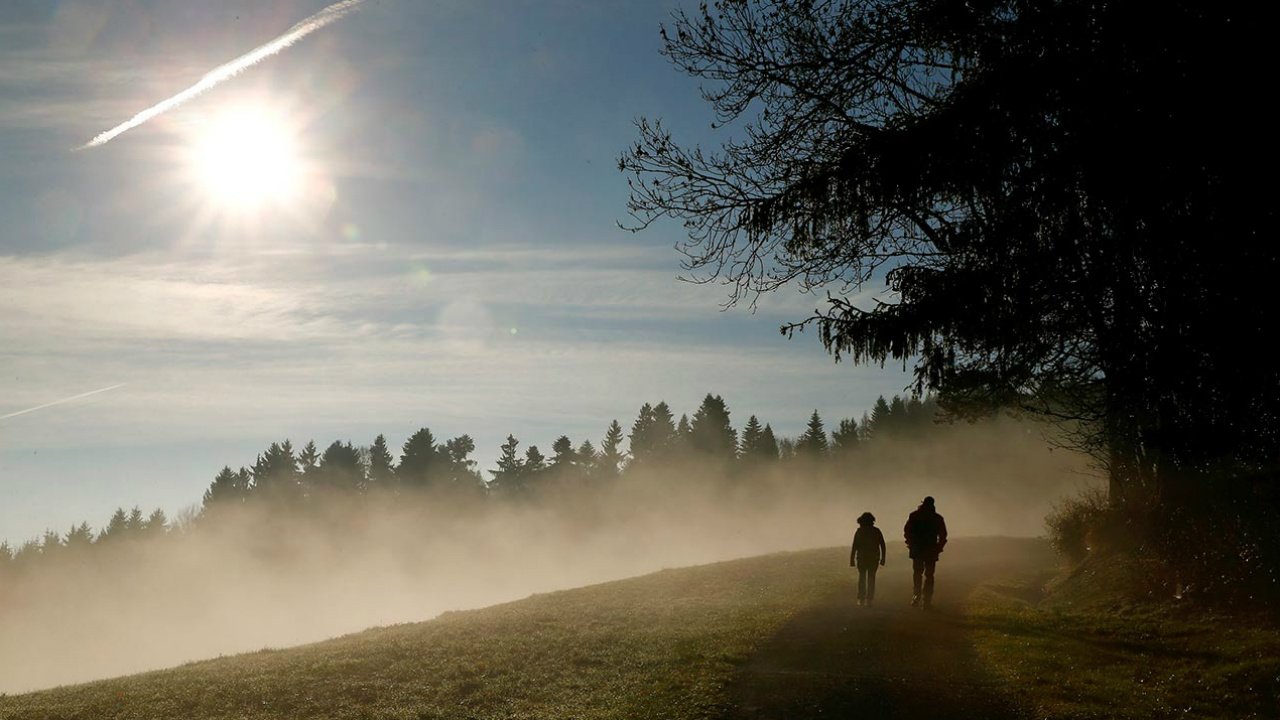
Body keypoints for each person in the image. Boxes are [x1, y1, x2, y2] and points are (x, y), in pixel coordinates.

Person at [903, 496, 948, 609]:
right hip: (931, 550)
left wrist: (910, 543)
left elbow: (907, 531)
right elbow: (943, 535)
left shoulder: (914, 515)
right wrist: (939, 547)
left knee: (917, 573)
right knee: (929, 575)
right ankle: (926, 600)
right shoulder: (937, 518)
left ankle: (916, 596)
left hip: (917, 549)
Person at [849, 511, 886, 606]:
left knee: (862, 577)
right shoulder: (876, 531)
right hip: (874, 558)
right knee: (871, 578)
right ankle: (869, 599)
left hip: (862, 558)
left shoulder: (859, 531)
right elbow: (882, 545)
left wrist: (852, 559)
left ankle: (861, 598)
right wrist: (883, 558)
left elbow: (854, 546)